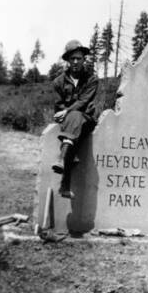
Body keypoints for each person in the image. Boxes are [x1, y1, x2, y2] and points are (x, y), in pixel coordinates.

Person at [51, 40, 98, 199]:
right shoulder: (58, 82)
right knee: (71, 129)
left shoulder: (92, 80)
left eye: (79, 58)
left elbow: (84, 102)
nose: (76, 62)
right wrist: (64, 112)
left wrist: (67, 110)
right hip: (68, 123)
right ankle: (64, 186)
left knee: (76, 116)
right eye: (72, 59)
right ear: (68, 61)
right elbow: (58, 107)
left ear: (84, 59)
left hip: (86, 120)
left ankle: (62, 158)